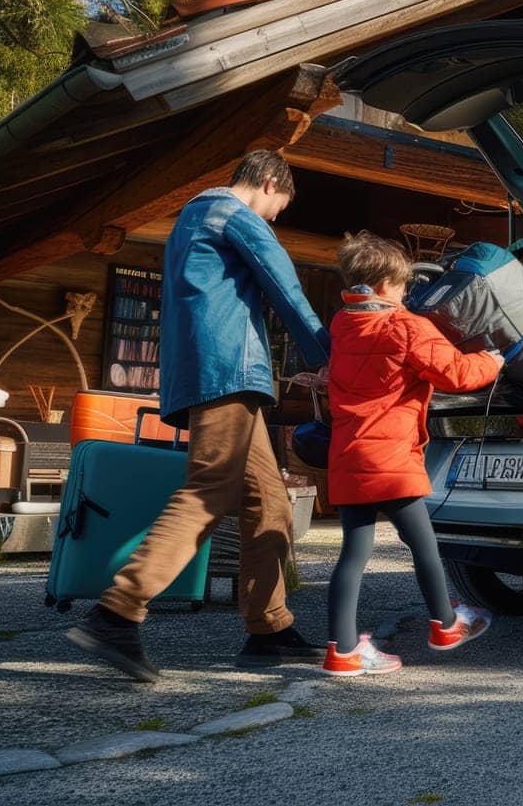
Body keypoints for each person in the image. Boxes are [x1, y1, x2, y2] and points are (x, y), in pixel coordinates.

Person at [66, 150, 332, 681]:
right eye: (279, 206)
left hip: (204, 373)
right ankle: (117, 611)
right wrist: (331, 360)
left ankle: (269, 628)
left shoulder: (190, 217)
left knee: (269, 500)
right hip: (227, 370)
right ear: (270, 182)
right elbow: (287, 290)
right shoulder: (237, 217)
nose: (276, 217)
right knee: (208, 490)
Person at [321, 233, 504, 676]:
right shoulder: (405, 326)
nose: (405, 294)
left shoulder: (342, 326)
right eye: (403, 286)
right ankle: (445, 625)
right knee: (423, 546)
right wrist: (493, 360)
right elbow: (457, 373)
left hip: (349, 457)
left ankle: (341, 651)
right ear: (386, 285)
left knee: (353, 555)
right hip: (392, 460)